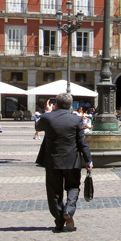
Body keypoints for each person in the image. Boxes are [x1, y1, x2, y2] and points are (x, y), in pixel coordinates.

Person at [35, 93, 93, 233]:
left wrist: (48, 112)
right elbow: (82, 142)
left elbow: (37, 127)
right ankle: (69, 209)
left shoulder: (47, 117)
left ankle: (59, 222)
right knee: (73, 187)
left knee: (54, 193)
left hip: (52, 162)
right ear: (71, 106)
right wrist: (88, 160)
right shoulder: (76, 120)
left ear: (56, 104)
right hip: (72, 161)